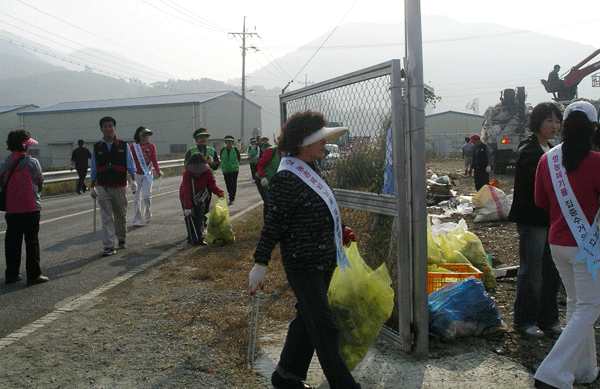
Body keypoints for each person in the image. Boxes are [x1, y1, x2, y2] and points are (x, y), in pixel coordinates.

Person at [248, 110, 361, 389]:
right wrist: (260, 263)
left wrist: (341, 229)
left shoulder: (313, 169)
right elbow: (272, 224)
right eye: (320, 140)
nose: (324, 145)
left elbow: (324, 206)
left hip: (324, 258)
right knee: (324, 326)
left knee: (306, 319)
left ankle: (286, 375)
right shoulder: (287, 178)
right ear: (302, 143)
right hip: (303, 263)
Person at [533, 101, 600, 389]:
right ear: (592, 129)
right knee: (590, 306)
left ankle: (584, 370)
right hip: (586, 247)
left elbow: (540, 202)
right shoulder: (597, 161)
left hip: (557, 243)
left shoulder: (547, 160)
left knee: (577, 305)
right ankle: (551, 373)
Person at [508, 102, 563, 339]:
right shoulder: (528, 150)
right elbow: (537, 181)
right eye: (549, 120)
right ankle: (524, 321)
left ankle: (548, 319)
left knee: (552, 270)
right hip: (533, 220)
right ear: (538, 123)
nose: (554, 126)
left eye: (556, 121)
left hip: (550, 220)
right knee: (531, 271)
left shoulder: (551, 149)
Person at [1, 130, 48, 285]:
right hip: (31, 207)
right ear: (24, 145)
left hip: (12, 208)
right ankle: (34, 275)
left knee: (12, 241)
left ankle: (11, 273)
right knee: (31, 241)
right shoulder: (32, 162)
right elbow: (40, 182)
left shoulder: (5, 163)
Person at [89, 116, 137, 257]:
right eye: (105, 126)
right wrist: (92, 186)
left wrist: (133, 180)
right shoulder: (97, 147)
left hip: (120, 186)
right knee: (106, 217)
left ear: (114, 128)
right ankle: (109, 245)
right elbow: (93, 167)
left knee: (120, 215)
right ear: (101, 129)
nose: (108, 129)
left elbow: (130, 164)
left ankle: (121, 238)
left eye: (110, 126)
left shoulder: (123, 145)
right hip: (103, 186)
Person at [179, 152, 224, 245]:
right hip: (186, 197)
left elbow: (211, 184)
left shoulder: (206, 171)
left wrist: (218, 192)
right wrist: (187, 207)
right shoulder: (187, 173)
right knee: (189, 218)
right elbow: (186, 190)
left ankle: (200, 238)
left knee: (199, 217)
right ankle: (191, 237)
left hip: (200, 198)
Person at [184, 128, 220, 225]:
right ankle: (197, 222)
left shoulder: (212, 150)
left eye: (204, 137)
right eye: (200, 137)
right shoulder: (191, 151)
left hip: (208, 181)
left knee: (206, 203)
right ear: (196, 139)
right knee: (196, 203)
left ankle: (203, 222)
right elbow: (186, 165)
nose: (202, 139)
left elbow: (216, 166)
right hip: (194, 182)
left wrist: (211, 163)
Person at [130, 126, 163, 227]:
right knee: (136, 198)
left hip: (147, 174)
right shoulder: (133, 146)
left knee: (146, 196)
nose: (145, 137)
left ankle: (147, 215)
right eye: (143, 135)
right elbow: (130, 161)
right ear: (139, 136)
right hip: (136, 175)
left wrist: (158, 170)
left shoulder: (151, 146)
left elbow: (154, 159)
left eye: (147, 135)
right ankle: (137, 219)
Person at [254, 138, 282, 211]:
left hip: (272, 183)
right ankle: (266, 221)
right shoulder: (271, 151)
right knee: (268, 202)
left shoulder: (286, 155)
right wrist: (262, 177)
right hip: (262, 181)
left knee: (275, 203)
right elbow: (259, 165)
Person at [219, 134, 241, 206]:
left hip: (234, 170)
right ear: (225, 142)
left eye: (231, 142)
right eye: (228, 141)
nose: (229, 143)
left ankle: (232, 198)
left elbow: (239, 158)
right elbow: (221, 159)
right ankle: (230, 194)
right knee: (228, 184)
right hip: (226, 170)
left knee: (233, 184)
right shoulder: (222, 150)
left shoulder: (235, 149)